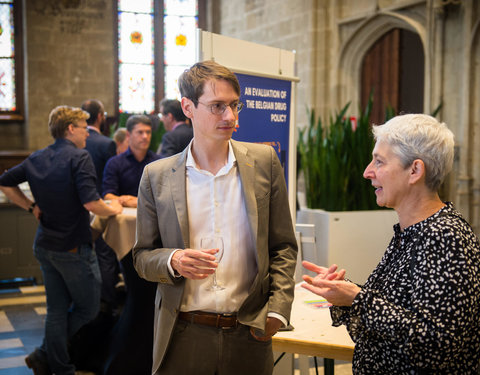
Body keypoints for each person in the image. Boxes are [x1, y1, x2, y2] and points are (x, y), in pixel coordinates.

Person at [132, 60, 298, 375]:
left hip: (249, 331)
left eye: (235, 106)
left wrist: (278, 311)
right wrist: (174, 260)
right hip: (184, 332)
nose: (231, 117)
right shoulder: (157, 176)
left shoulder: (264, 162)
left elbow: (283, 246)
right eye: (217, 106)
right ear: (188, 107)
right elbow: (142, 257)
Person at [302, 114, 480, 374]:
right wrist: (345, 293)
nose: (367, 172)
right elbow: (395, 314)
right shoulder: (412, 232)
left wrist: (358, 299)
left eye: (380, 161)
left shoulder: (445, 237)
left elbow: (437, 344)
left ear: (415, 171)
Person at [0, 106, 123, 375]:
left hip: (45, 245)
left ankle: (56, 364)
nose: (87, 134)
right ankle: (48, 356)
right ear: (70, 129)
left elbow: (5, 182)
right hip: (72, 247)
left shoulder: (37, 157)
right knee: (89, 308)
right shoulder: (79, 157)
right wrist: (115, 209)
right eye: (83, 127)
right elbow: (92, 202)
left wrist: (30, 206)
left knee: (56, 310)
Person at [82, 99, 119, 314]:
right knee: (105, 253)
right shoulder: (106, 144)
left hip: (77, 208)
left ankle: (84, 302)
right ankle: (107, 304)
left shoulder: (71, 143)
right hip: (99, 205)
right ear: (99, 117)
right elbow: (110, 177)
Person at [102, 115, 160, 207]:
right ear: (128, 135)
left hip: (152, 217)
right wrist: (130, 202)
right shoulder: (114, 163)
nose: (145, 136)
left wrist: (136, 201)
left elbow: (165, 195)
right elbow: (107, 195)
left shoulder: (159, 163)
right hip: (123, 217)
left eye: (148, 132)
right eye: (140, 132)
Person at [81, 99, 116, 194]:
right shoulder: (107, 144)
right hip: (100, 197)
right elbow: (112, 177)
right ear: (100, 116)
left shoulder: (75, 142)